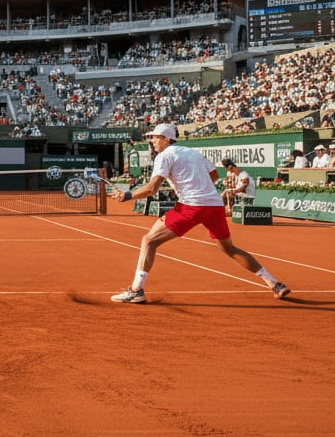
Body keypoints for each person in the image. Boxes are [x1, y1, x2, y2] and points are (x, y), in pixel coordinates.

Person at [108, 123, 290, 303]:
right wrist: (192, 184)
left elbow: (151, 189)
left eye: (155, 137)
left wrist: (127, 195)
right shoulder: (193, 152)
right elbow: (214, 175)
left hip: (191, 207)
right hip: (214, 206)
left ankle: (136, 290)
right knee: (229, 249)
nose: (153, 141)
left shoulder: (164, 157)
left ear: (166, 139)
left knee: (149, 241)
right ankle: (274, 283)